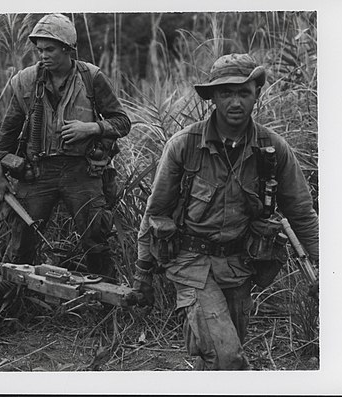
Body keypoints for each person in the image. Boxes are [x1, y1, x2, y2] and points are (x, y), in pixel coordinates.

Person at [132, 53, 319, 370]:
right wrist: (142, 273)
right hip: (190, 263)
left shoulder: (273, 149)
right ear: (212, 98)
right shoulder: (183, 145)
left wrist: (326, 267)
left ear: (256, 95)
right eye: (225, 93)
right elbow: (156, 211)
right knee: (228, 357)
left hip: (240, 265)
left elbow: (302, 213)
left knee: (220, 354)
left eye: (243, 92)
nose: (235, 102)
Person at [0, 13, 131, 280]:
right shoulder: (26, 81)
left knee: (95, 238)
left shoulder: (91, 77)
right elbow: (8, 131)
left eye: (50, 49)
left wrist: (91, 128)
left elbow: (122, 122)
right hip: (37, 172)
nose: (43, 55)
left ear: (68, 49)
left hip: (80, 171)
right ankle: (13, 304)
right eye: (40, 49)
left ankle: (109, 305)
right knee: (22, 242)